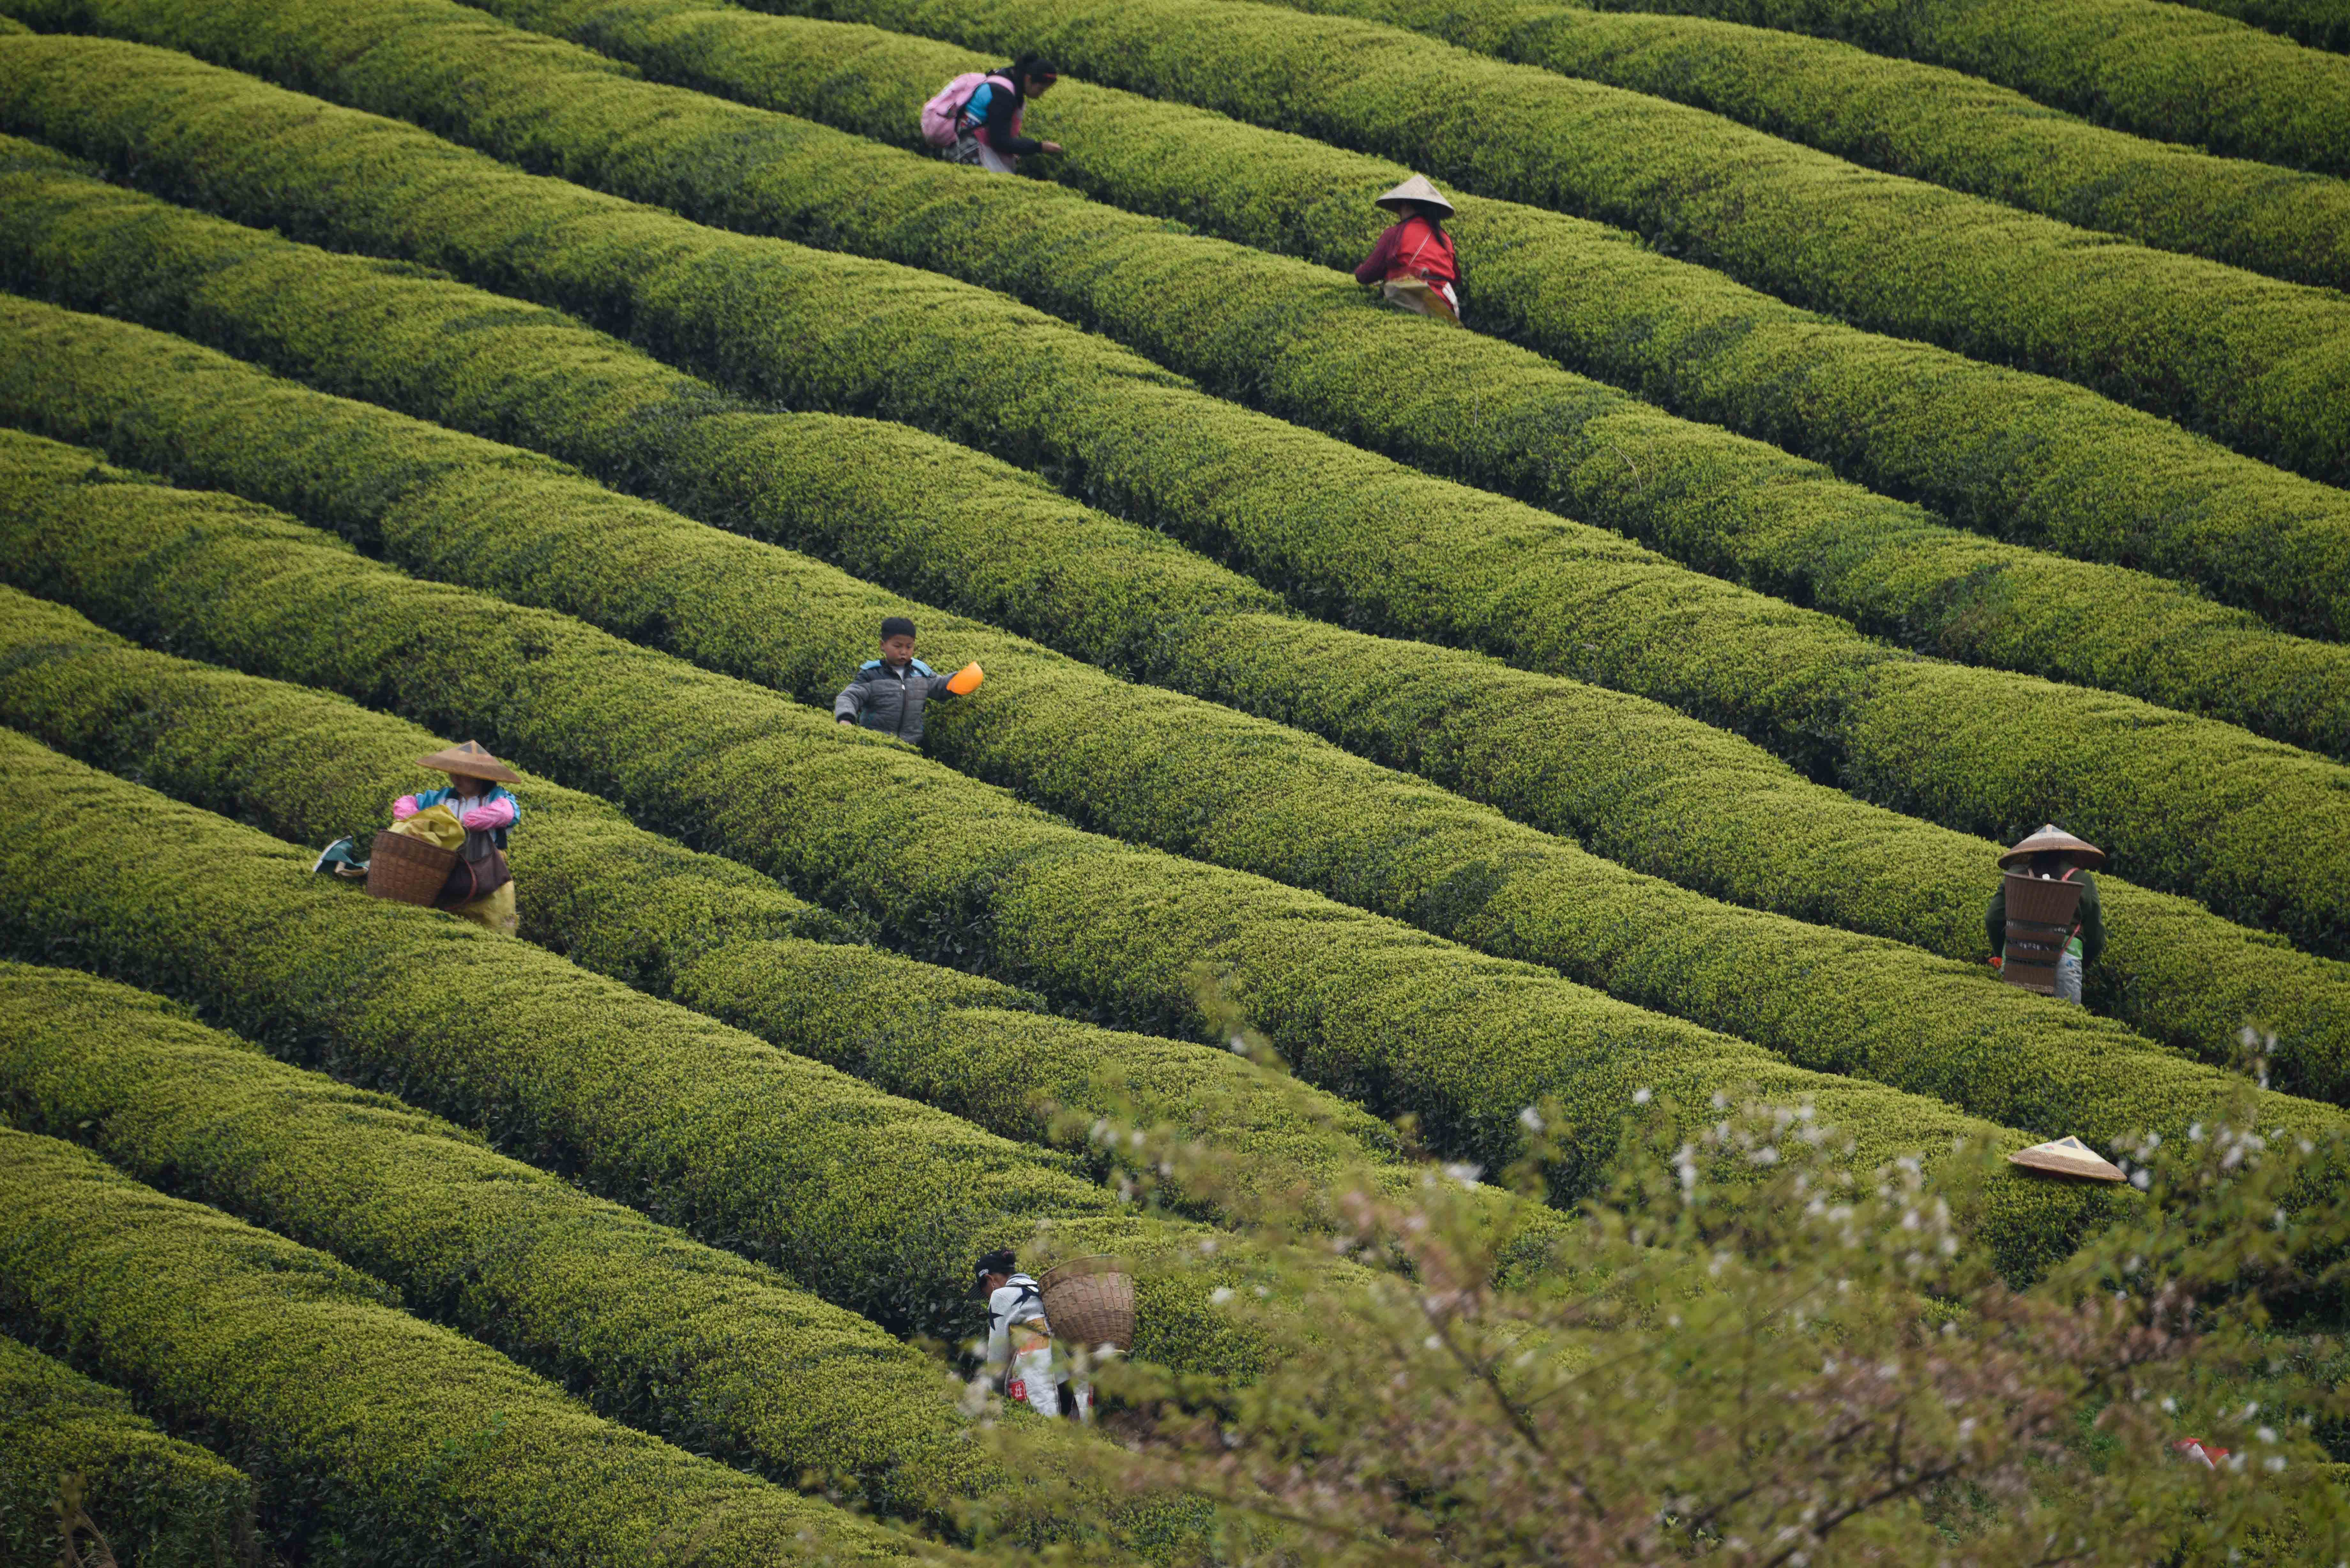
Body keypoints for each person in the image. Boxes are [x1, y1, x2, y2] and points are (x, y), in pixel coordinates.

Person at [311, 740, 524, 935]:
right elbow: (406, 802)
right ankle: (349, 865)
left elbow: (507, 812)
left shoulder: (498, 797)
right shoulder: (441, 798)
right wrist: (415, 819)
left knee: (491, 926)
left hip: (486, 875)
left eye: (463, 774)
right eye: (453, 773)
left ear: (480, 776)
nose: (455, 779)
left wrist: (464, 823)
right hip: (445, 872)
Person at [1986, 824, 2105, 1005]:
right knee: (2065, 1024)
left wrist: (2002, 952)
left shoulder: (2015, 874)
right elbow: (2096, 935)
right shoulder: (2083, 879)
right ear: (2069, 852)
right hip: (2066, 961)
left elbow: (1993, 918)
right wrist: (2081, 961)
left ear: (2032, 851)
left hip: (2019, 958)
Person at [974, 1249, 1093, 1421]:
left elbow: (997, 1356)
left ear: (990, 1280)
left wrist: (995, 1393)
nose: (986, 1296)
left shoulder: (1000, 1296)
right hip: (1067, 1377)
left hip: (1038, 1381)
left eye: (983, 1289)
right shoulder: (1038, 1288)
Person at [833, 616, 979, 745]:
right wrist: (846, 719)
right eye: (898, 646)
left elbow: (940, 687)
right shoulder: (872, 675)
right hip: (876, 744)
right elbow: (849, 696)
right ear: (883, 645)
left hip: (912, 745)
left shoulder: (920, 673)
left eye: (909, 647)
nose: (904, 652)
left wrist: (959, 680)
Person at [1354, 175, 1462, 325]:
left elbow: (1365, 275)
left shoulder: (1396, 233)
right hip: (1445, 305)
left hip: (1413, 300)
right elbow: (1455, 277)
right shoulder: (1445, 238)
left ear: (1406, 205)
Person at [950, 56, 1064, 174]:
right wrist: (1039, 147)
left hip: (961, 142)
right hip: (966, 149)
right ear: (1028, 79)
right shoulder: (1003, 95)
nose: (1041, 95)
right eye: (1041, 89)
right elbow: (1000, 142)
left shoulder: (1005, 77)